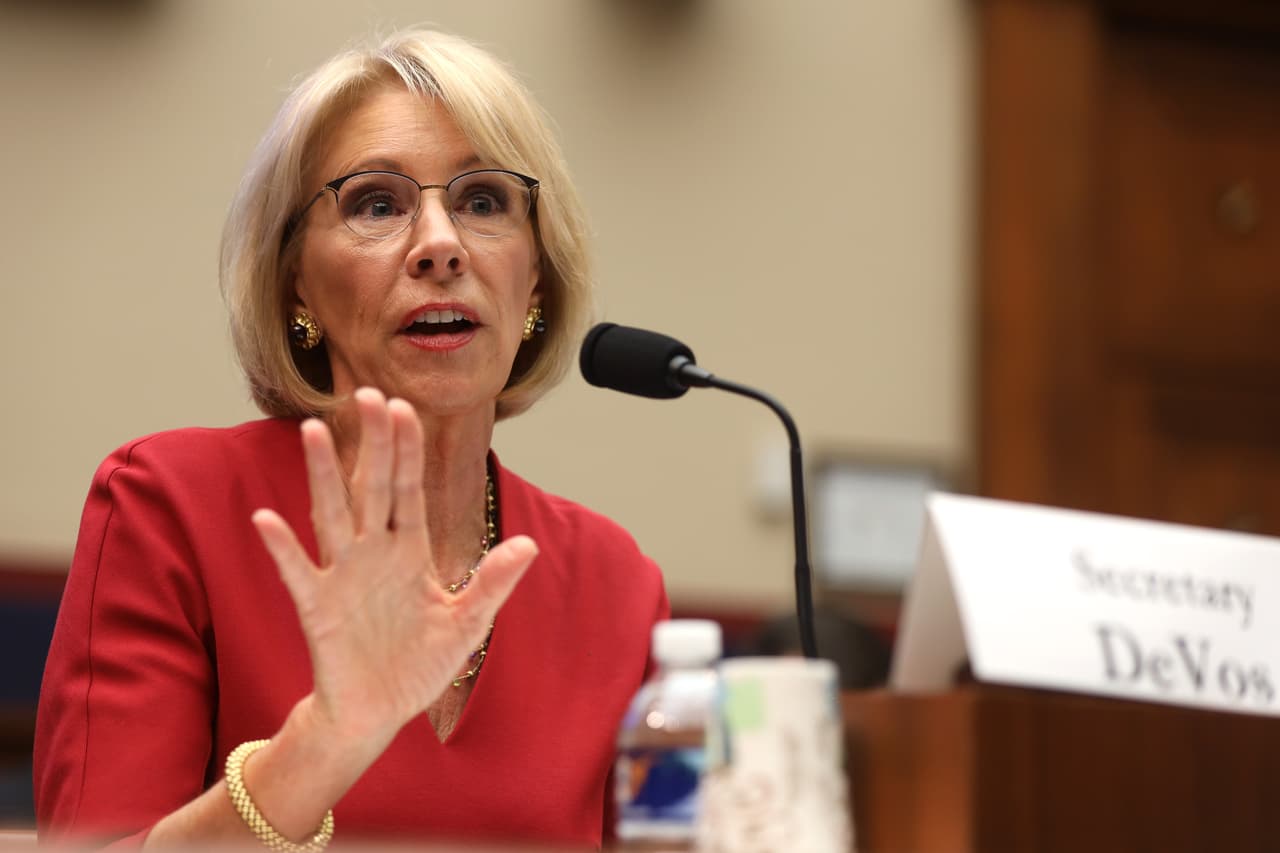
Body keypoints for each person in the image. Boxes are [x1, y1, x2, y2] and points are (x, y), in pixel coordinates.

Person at [33, 28, 669, 850]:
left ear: (536, 274)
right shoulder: (170, 505)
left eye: (483, 201)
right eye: (377, 203)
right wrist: (325, 741)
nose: (440, 245)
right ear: (297, 279)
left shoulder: (616, 585)